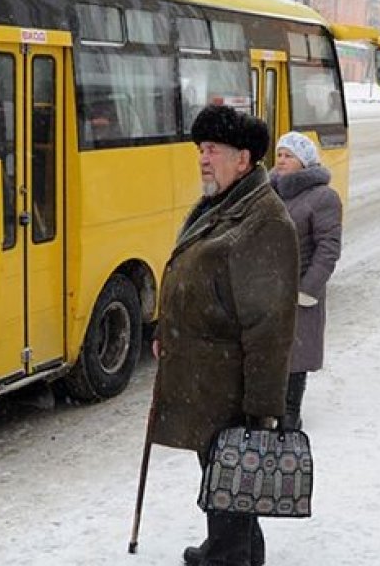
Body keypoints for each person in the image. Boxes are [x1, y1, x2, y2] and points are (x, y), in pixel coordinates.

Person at [146, 104, 299, 566]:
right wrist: (167, 327)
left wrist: (262, 411)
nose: (203, 159)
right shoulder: (223, 203)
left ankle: (228, 557)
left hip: (233, 385)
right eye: (200, 149)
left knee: (231, 474)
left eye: (213, 149)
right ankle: (234, 550)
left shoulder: (264, 221)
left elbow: (270, 328)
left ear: (244, 158)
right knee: (226, 477)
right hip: (207, 381)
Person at [270, 131, 342, 430]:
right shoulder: (268, 191)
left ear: (305, 161)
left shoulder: (323, 196)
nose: (282, 160)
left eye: (289, 156)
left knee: (296, 356)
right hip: (267, 289)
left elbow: (328, 248)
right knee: (269, 352)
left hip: (300, 288)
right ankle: (269, 408)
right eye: (279, 155)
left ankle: (290, 413)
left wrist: (308, 289)